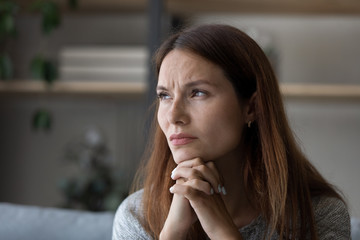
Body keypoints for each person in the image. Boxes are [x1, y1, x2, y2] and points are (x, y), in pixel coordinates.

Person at [112, 24, 350, 240]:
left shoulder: (318, 216)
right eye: (165, 96)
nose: (173, 116)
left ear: (252, 107)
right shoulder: (137, 216)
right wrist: (172, 233)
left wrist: (221, 230)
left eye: (197, 93)